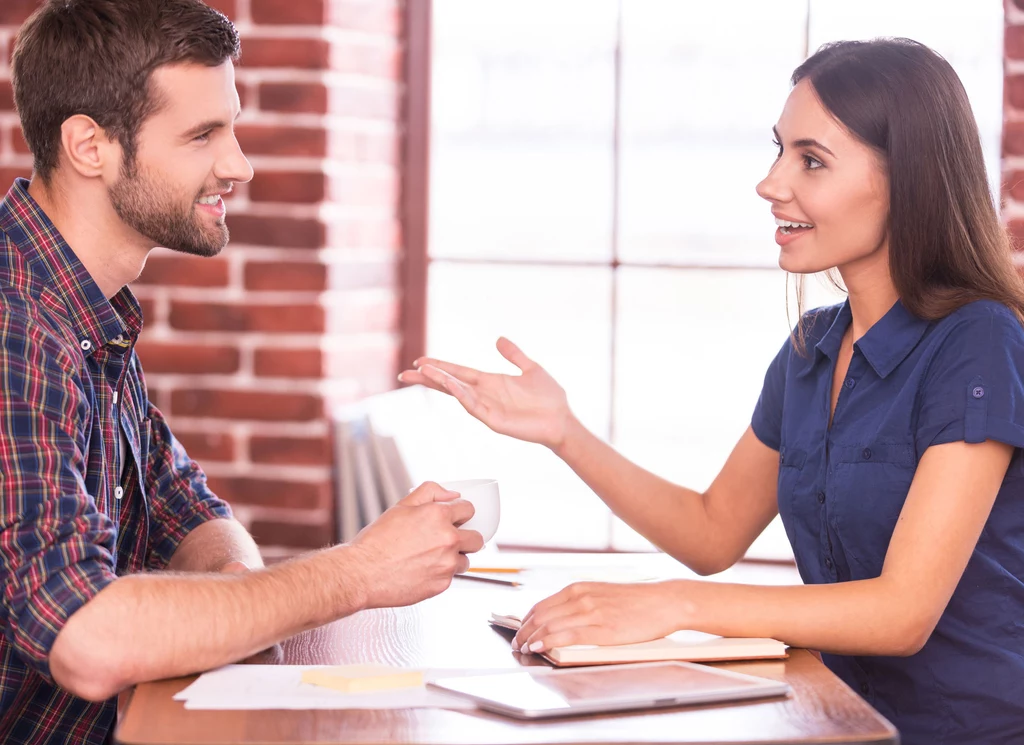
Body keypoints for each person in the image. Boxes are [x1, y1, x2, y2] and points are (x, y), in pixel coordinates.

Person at [399, 38, 1024, 745]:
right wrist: (564, 431)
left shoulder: (978, 340)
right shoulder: (811, 350)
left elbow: (902, 612)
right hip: (838, 720)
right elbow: (711, 530)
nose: (771, 182)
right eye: (778, 150)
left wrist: (671, 604)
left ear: (906, 180)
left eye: (811, 160)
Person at [0, 2, 483, 742]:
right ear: (89, 146)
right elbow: (87, 640)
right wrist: (356, 572)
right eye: (202, 135)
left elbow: (188, 510)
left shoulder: (85, 308)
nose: (239, 164)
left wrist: (234, 597)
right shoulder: (17, 325)